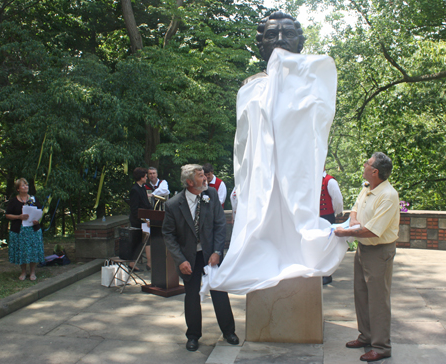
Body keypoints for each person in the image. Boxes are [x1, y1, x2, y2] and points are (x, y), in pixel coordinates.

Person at [199, 11, 347, 297]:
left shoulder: (312, 85)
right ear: (261, 44)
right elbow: (242, 144)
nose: (280, 40)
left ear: (300, 41)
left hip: (296, 178)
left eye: (288, 34)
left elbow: (315, 132)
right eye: (272, 34)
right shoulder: (250, 88)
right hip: (261, 180)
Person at [162, 164, 239, 352]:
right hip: (189, 258)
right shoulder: (173, 205)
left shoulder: (211, 196)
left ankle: (229, 331)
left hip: (210, 255)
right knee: (192, 297)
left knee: (219, 293)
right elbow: (168, 234)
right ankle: (193, 336)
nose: (206, 179)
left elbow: (220, 225)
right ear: (189, 182)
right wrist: (180, 260)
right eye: (200, 176)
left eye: (205, 175)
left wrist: (217, 252)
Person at [334, 152, 399, 362]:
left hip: (379, 252)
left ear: (375, 171)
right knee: (361, 295)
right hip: (363, 249)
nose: (364, 165)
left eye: (367, 164)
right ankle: (366, 336)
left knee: (378, 299)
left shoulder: (388, 195)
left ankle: (381, 346)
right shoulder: (367, 188)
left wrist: (346, 232)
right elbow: (354, 210)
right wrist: (352, 221)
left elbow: (373, 230)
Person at [5, 178, 44, 281]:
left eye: (26, 185)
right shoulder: (14, 201)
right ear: (18, 189)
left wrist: (37, 220)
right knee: (22, 251)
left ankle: (32, 272)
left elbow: (39, 212)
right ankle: (23, 272)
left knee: (33, 251)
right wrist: (19, 217)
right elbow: (7, 215)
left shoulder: (33, 199)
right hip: (19, 230)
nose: (25, 187)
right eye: (23, 185)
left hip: (32, 229)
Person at [320, 168, 343, 285]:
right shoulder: (312, 179)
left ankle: (327, 274)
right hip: (316, 218)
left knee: (327, 245)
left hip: (327, 217)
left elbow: (338, 201)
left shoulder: (329, 181)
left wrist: (332, 213)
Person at [129, 167, 153, 270]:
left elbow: (146, 204)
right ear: (141, 177)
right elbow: (135, 209)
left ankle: (149, 262)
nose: (147, 177)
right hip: (137, 220)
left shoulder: (143, 187)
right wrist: (144, 219)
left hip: (145, 218)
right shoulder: (134, 190)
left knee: (148, 239)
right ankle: (132, 262)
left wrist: (152, 212)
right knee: (137, 241)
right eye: (145, 176)